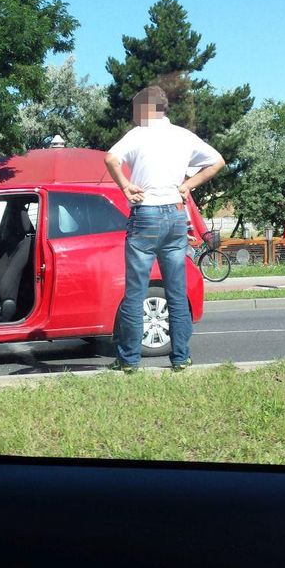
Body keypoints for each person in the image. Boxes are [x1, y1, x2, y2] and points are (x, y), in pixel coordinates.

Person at [104, 85, 226, 373]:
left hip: (145, 214)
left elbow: (110, 158)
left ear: (147, 109)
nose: (134, 116)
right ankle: (181, 358)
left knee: (136, 291)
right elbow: (217, 161)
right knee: (175, 290)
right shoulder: (183, 136)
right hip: (174, 215)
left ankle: (129, 360)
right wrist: (187, 185)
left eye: (136, 110)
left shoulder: (138, 135)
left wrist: (125, 186)